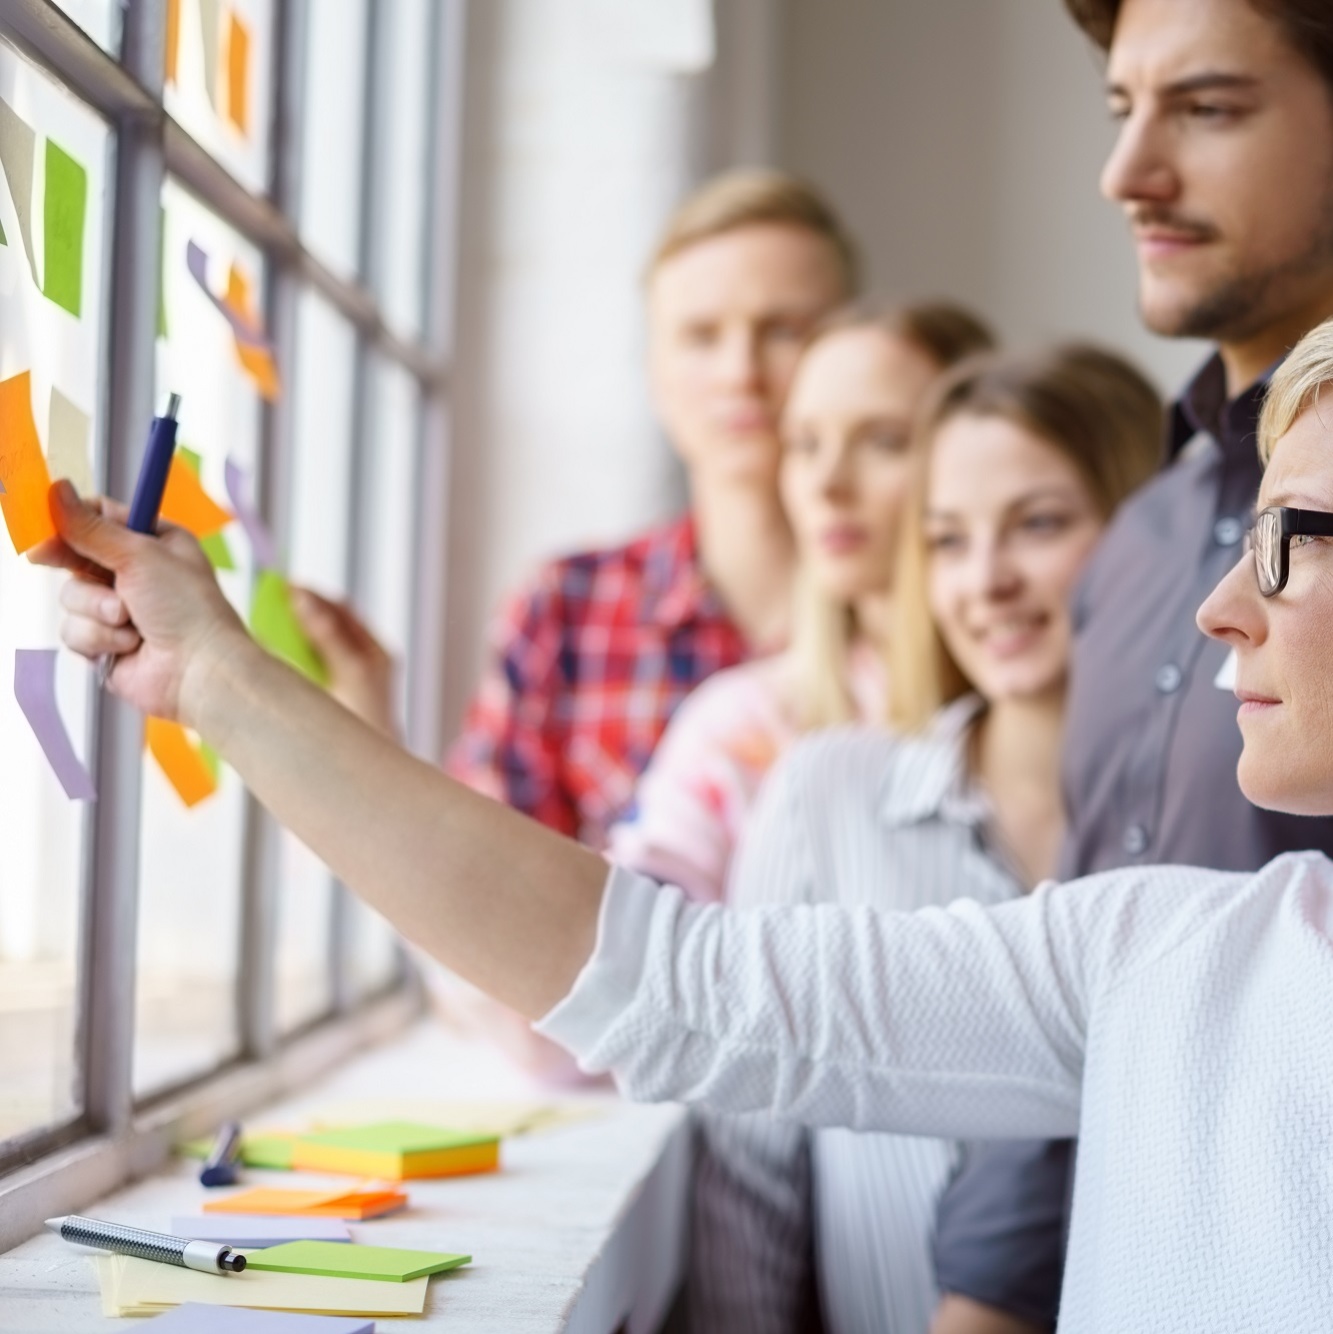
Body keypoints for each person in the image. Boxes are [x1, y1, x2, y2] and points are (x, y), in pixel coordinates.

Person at [38, 313, 1333, 1332]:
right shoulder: (1178, 953)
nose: (1216, 605)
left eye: (1292, 538)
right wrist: (218, 679)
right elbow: (659, 979)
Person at [927, 0, 1333, 1315]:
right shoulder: (1144, 537)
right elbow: (1084, 988)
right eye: (1120, 110)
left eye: (1205, 109)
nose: (1126, 172)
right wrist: (981, 1297)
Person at [679, 346, 1160, 1334]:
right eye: (945, 540)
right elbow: (747, 1170)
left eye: (1038, 524)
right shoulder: (825, 794)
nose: (985, 581)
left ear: (1143, 531)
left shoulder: (1213, 822)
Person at [301, 168, 859, 849]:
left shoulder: (925, 606)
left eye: (784, 331)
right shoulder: (565, 608)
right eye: (701, 336)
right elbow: (483, 885)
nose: (740, 371)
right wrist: (366, 749)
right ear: (654, 370)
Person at [607, 301, 995, 903]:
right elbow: (635, 928)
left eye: (884, 442)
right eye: (805, 444)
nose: (828, 484)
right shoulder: (742, 725)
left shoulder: (1041, 709)